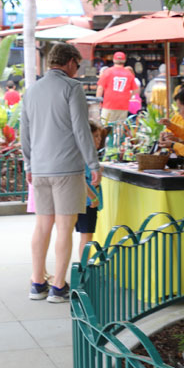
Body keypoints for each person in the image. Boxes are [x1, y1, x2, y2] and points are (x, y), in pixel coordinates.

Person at [21, 42, 101, 303]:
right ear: (68, 62)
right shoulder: (72, 88)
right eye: (77, 65)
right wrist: (94, 164)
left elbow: (25, 133)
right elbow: (81, 129)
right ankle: (58, 286)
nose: (77, 70)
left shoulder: (31, 91)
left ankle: (36, 283)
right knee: (65, 228)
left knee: (43, 225)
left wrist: (28, 165)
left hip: (40, 169)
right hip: (67, 168)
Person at [75, 121, 107, 261]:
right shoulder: (84, 156)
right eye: (95, 136)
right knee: (86, 237)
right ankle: (84, 269)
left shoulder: (82, 155)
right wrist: (93, 197)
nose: (99, 140)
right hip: (87, 202)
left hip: (81, 200)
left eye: (100, 136)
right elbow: (80, 178)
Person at [97, 51, 139, 125]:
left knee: (106, 126)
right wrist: (128, 96)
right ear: (124, 60)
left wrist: (98, 102)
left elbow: (100, 88)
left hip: (108, 104)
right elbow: (136, 90)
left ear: (113, 60)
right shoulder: (129, 74)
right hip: (123, 105)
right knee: (120, 127)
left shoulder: (107, 72)